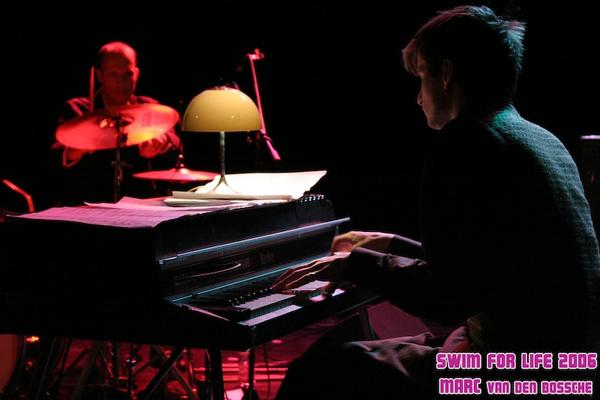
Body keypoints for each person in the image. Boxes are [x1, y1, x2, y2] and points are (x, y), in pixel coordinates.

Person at [272, 5, 600, 399]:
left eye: (422, 77)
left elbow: (446, 297)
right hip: (568, 365)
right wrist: (390, 245)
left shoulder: (467, 142)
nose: (418, 98)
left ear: (445, 74)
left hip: (513, 372)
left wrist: (354, 265)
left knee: (318, 371)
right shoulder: (539, 139)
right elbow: (486, 267)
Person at [51, 41, 182, 205]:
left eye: (128, 74)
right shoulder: (77, 109)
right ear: (100, 75)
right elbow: (53, 158)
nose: (121, 83)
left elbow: (176, 145)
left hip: (141, 203)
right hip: (86, 203)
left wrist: (162, 144)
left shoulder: (150, 108)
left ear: (137, 74)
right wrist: (77, 148)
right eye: (113, 74)